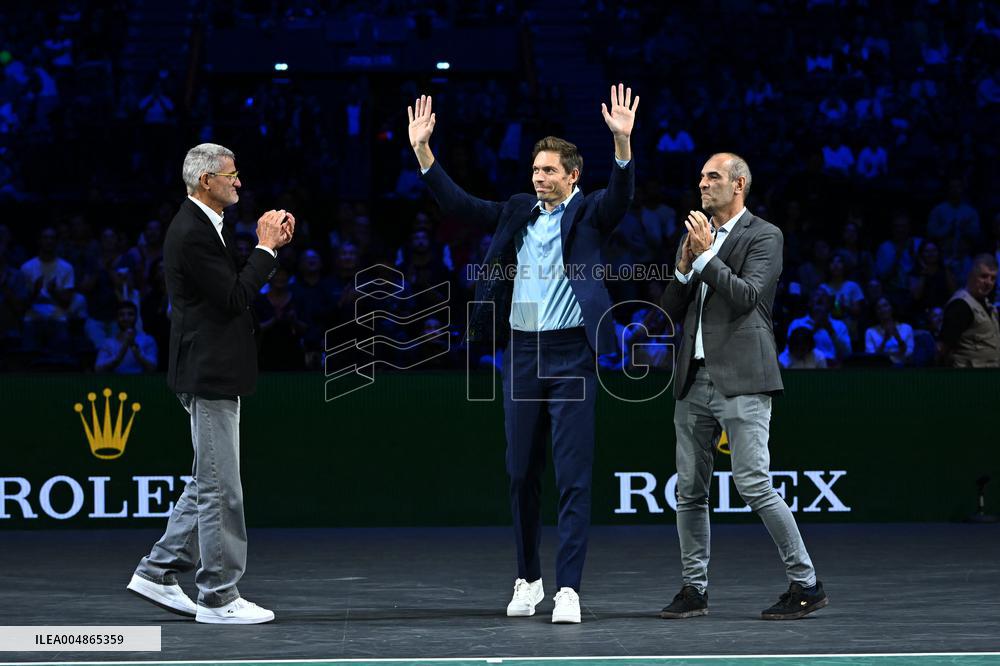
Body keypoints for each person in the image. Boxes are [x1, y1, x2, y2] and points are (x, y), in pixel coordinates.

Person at [407, 84, 638, 624]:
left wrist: (622, 145)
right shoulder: (516, 211)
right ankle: (529, 579)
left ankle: (570, 590)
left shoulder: (590, 214)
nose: (540, 178)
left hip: (571, 356)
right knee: (519, 473)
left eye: (551, 170)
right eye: (536, 170)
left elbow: (621, 196)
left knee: (574, 476)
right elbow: (461, 205)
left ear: (573, 176)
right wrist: (424, 152)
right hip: (523, 354)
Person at [126, 143, 294, 624]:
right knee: (223, 490)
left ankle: (157, 572)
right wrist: (265, 248)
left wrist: (268, 248)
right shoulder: (192, 231)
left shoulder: (205, 225)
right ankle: (218, 595)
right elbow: (233, 296)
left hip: (214, 370)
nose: (238, 182)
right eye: (231, 175)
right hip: (208, 373)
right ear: (206, 182)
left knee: (209, 480)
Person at [659, 153, 827, 621]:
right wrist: (685, 265)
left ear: (739, 185)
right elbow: (670, 307)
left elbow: (747, 296)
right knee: (690, 490)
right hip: (693, 380)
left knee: (753, 482)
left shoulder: (765, 235)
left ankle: (806, 583)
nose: (703, 183)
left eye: (713, 177)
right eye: (701, 176)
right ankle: (694, 590)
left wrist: (707, 254)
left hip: (743, 378)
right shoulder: (693, 238)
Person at [939, 254, 999, 367]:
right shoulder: (961, 305)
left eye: (993, 278)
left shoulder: (987, 304)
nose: (988, 282)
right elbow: (942, 348)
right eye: (984, 276)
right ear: (971, 275)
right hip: (968, 379)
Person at [94, 300, 157, 373]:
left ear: (136, 317)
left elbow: (153, 368)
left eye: (130, 314)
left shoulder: (148, 340)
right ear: (116, 318)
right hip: (115, 382)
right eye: (121, 315)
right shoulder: (107, 343)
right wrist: (124, 347)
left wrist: (134, 347)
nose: (126, 318)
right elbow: (98, 369)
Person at [864, 297, 914, 366]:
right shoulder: (870, 332)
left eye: (885, 306)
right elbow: (872, 358)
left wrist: (898, 338)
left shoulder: (906, 328)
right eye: (878, 308)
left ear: (891, 308)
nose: (882, 310)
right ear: (875, 312)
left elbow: (909, 354)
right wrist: (884, 341)